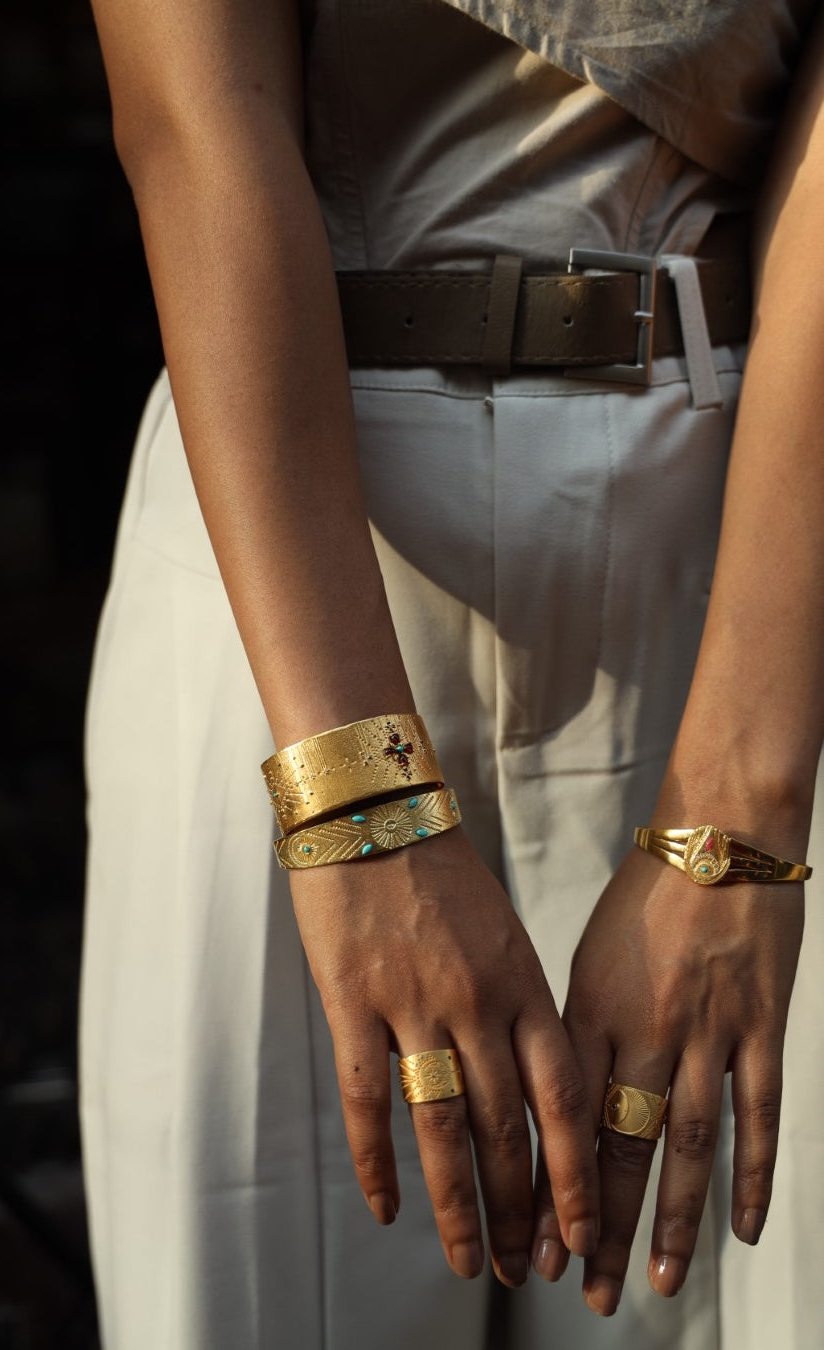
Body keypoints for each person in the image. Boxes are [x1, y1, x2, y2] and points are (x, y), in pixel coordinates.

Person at [79, 1, 824, 1346]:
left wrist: (742, 811)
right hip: (291, 573)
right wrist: (355, 800)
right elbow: (196, 119)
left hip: (747, 571)